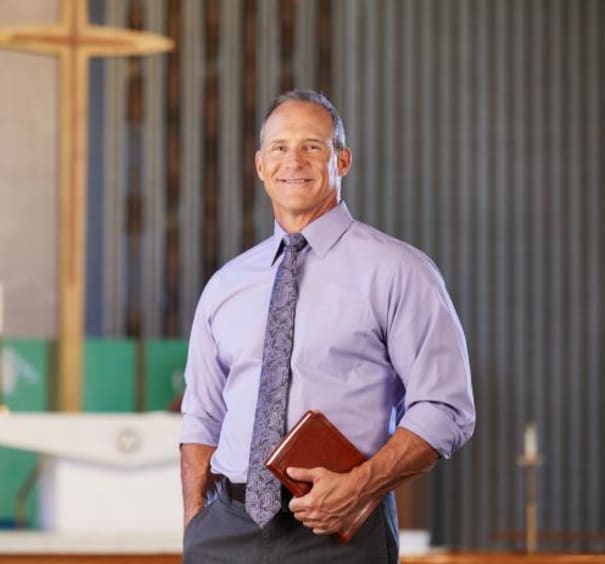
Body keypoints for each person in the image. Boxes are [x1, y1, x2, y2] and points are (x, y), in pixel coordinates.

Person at [179, 89, 475, 563]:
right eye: (279, 147)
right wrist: (197, 518)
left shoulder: (398, 271)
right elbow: (202, 414)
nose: (292, 160)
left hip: (338, 536)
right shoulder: (225, 285)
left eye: (312, 146)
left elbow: (446, 407)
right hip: (226, 535)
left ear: (343, 159)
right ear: (260, 165)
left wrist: (361, 487)